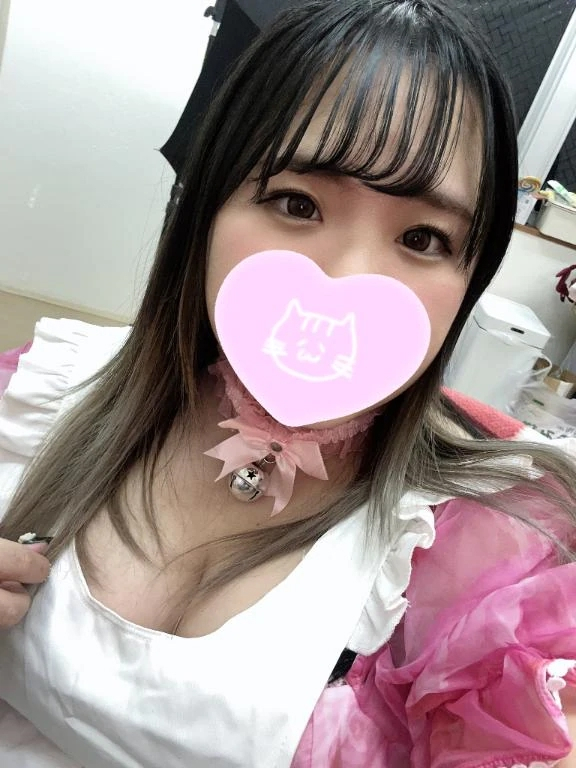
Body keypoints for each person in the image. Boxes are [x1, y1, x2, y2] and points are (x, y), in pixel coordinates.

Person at [1, 0, 576, 765]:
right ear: (209, 206)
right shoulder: (46, 388)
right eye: (295, 203)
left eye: (422, 238)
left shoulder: (483, 555)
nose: (346, 278)